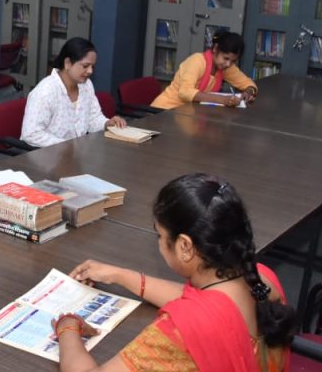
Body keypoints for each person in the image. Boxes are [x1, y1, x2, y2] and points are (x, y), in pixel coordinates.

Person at [54, 173, 295, 371]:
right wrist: (120, 275)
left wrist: (68, 329)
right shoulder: (262, 278)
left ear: (185, 246)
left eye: (160, 235)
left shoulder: (184, 329)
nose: (159, 243)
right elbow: (208, 305)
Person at [21, 37, 126, 148]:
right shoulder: (46, 91)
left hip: (74, 154)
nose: (90, 71)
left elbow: (93, 119)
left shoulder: (86, 85)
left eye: (92, 66)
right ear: (67, 63)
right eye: (85, 66)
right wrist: (66, 145)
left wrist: (107, 123)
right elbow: (31, 134)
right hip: (46, 156)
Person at [151, 32, 258, 109]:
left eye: (233, 61)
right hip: (164, 111)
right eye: (226, 58)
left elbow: (248, 83)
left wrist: (248, 92)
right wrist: (223, 100)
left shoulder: (225, 67)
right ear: (215, 48)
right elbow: (185, 93)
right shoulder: (197, 61)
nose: (228, 64)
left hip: (186, 114)